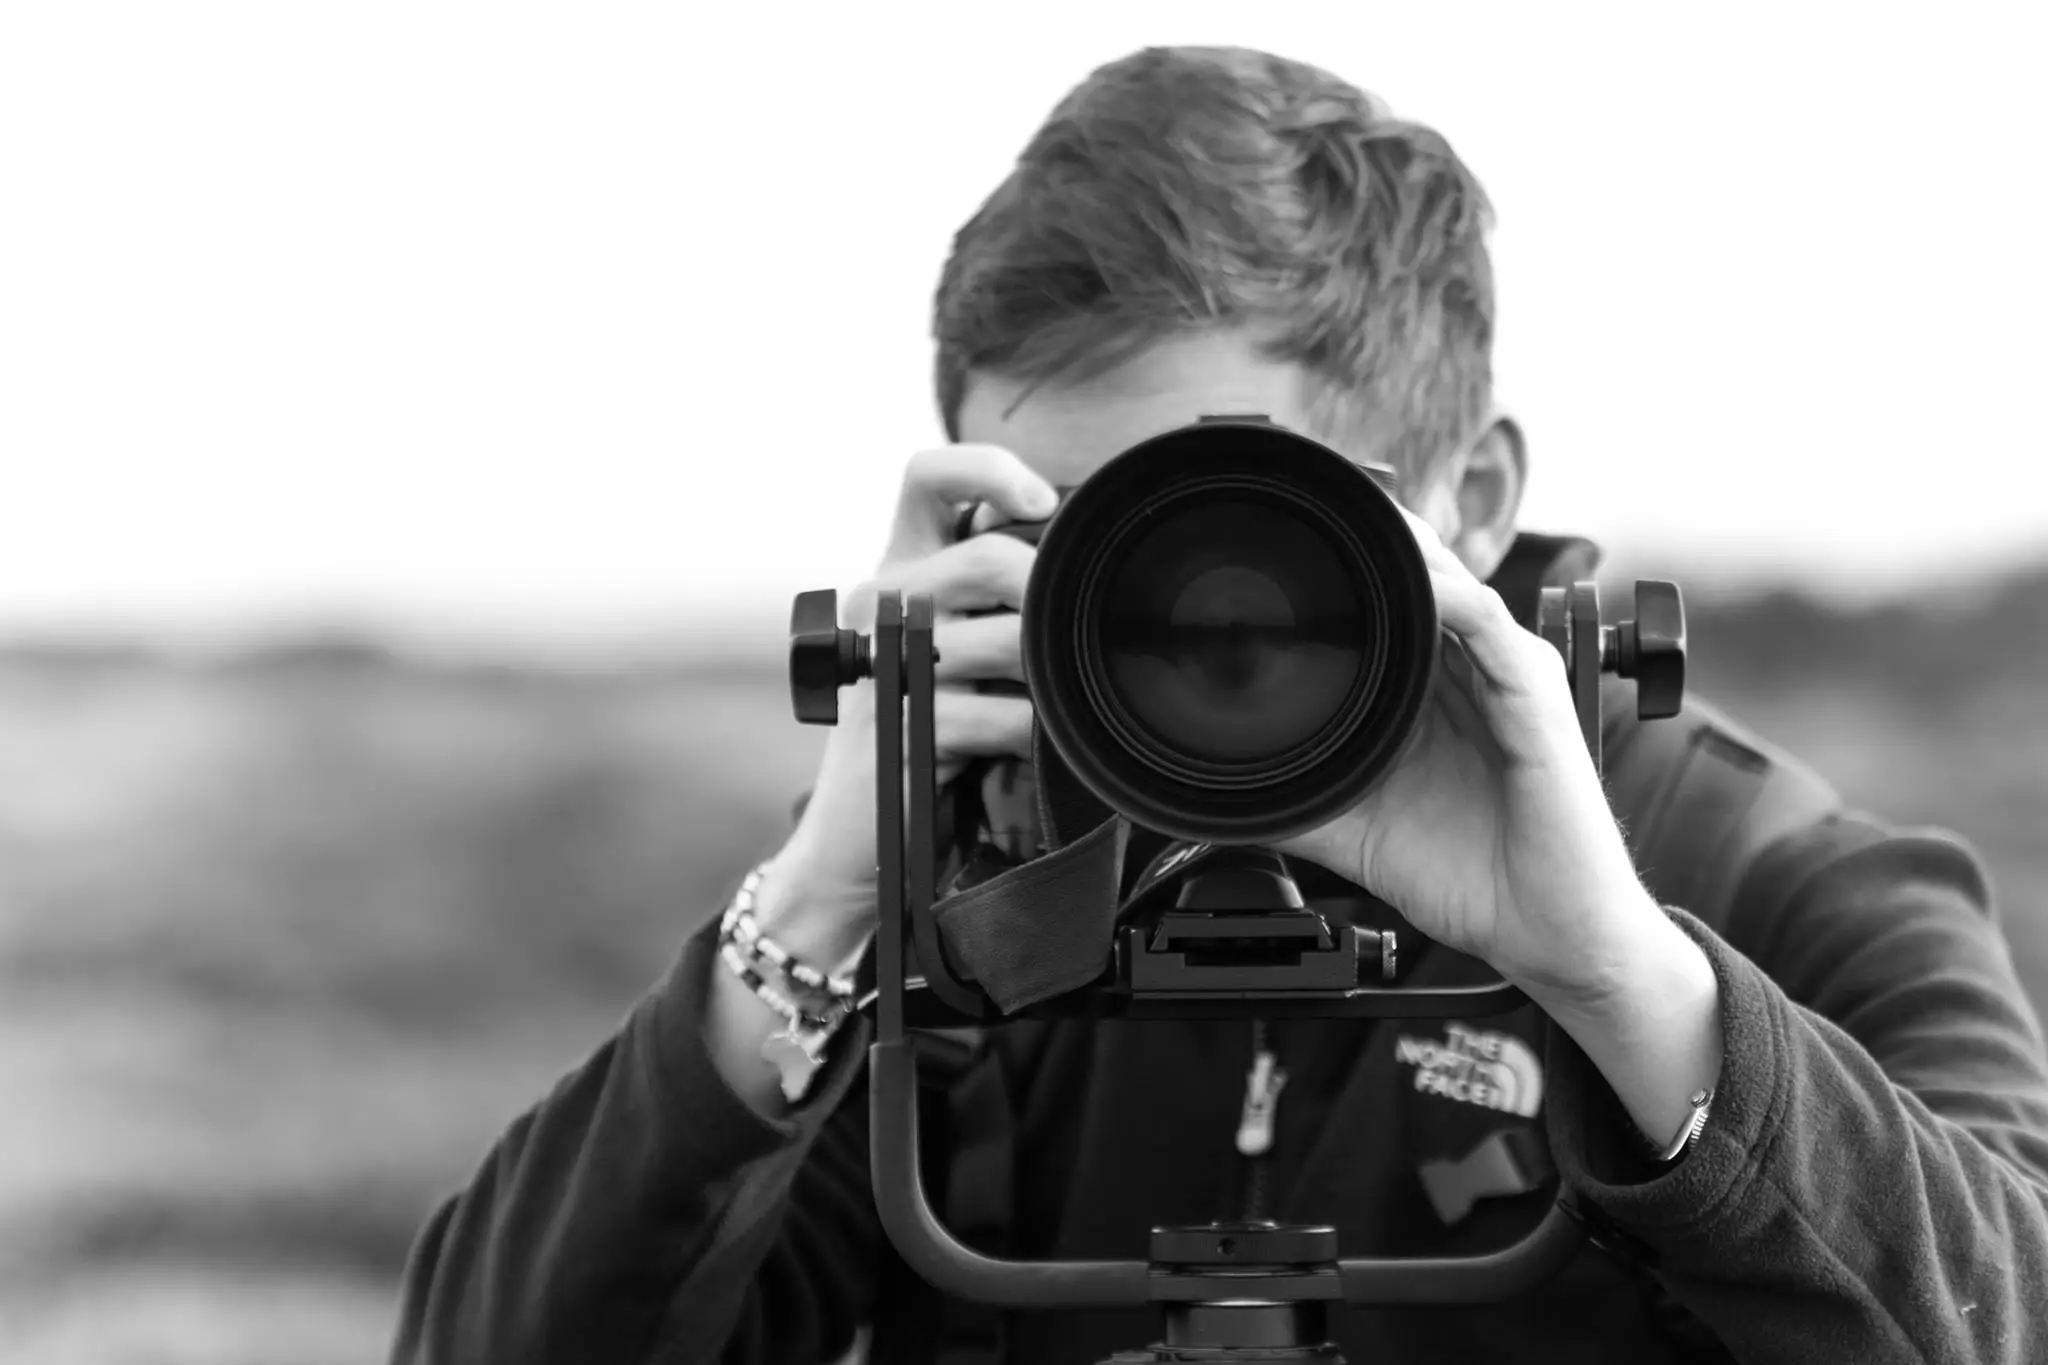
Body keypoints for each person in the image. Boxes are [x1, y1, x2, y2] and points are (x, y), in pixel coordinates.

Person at [389, 46, 2048, 1364]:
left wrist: (1625, 982)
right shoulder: (970, 895)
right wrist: (821, 914)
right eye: (1067, 537)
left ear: (1468, 500)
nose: (1157, 613)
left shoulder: (1763, 874)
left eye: (1217, 517)